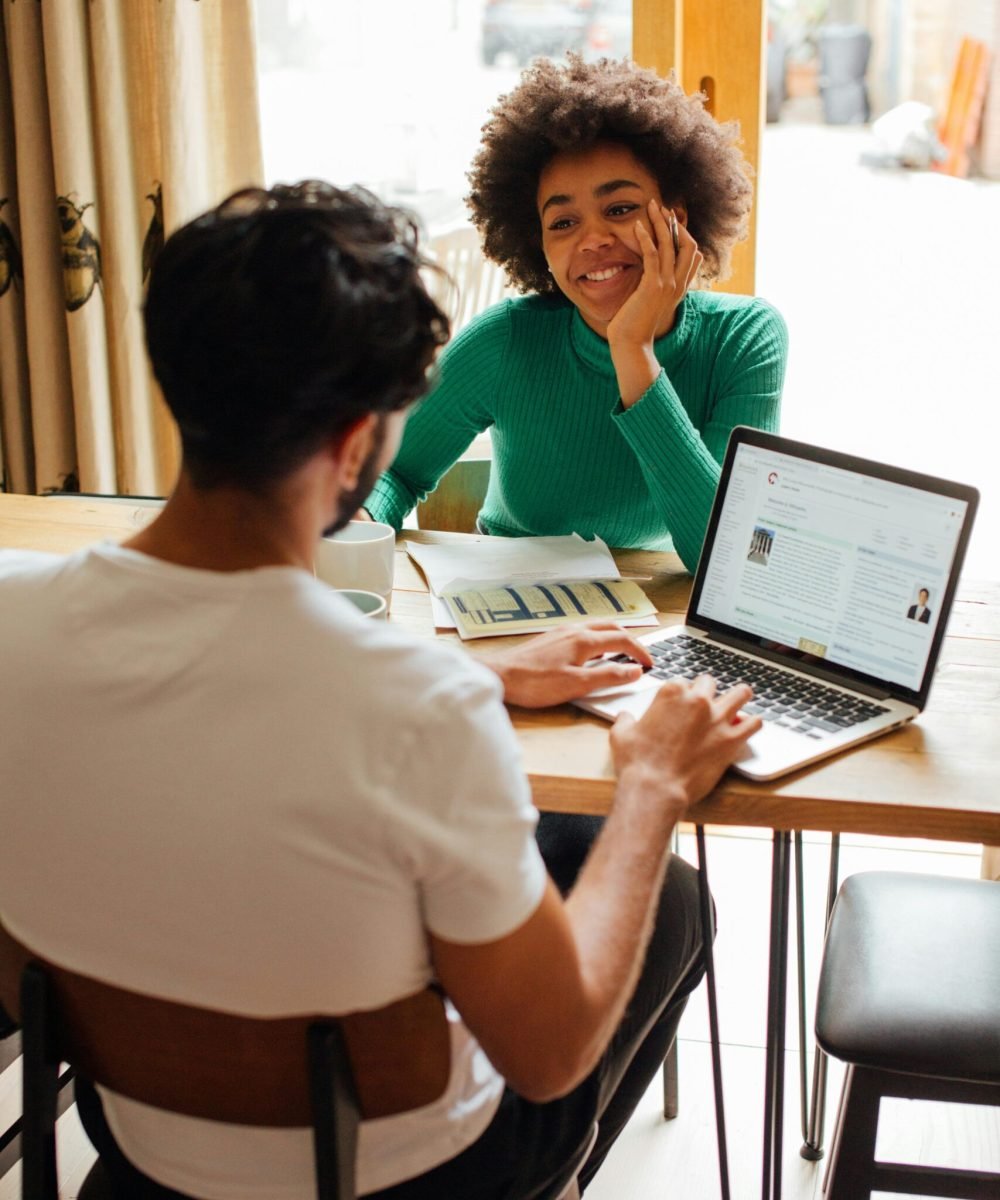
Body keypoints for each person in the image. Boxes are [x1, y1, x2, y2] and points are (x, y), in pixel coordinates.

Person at [0, 182, 759, 1199]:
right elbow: (548, 1052)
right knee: (666, 900)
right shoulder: (413, 710)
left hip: (140, 1142)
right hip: (401, 1174)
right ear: (358, 439)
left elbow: (240, 685)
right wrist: (652, 787)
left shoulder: (15, 619)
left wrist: (474, 674)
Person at [362, 54, 788, 574]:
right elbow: (395, 472)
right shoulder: (506, 340)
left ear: (676, 218)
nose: (593, 241)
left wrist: (632, 349)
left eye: (619, 209)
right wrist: (361, 522)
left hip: (660, 626)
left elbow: (724, 558)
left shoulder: (744, 339)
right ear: (537, 242)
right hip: (505, 608)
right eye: (563, 222)